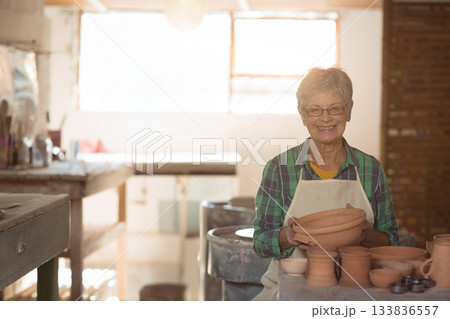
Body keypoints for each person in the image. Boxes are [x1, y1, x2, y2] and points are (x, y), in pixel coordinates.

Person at [252, 66, 399, 301]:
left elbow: (391, 240)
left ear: (349, 110)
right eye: (315, 110)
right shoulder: (280, 169)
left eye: (335, 108)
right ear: (302, 115)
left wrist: (364, 235)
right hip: (290, 293)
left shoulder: (370, 169)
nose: (325, 118)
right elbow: (259, 241)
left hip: (355, 292)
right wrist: (288, 236)